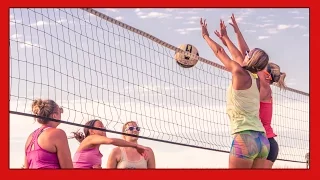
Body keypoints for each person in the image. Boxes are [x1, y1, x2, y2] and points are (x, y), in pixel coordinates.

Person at [200, 18, 270, 168]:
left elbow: (220, 52)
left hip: (245, 138)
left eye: (248, 53)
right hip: (263, 141)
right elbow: (239, 56)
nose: (245, 53)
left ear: (250, 58)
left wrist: (205, 36)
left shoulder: (239, 73)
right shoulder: (256, 79)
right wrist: (225, 37)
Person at [219, 14, 287, 168]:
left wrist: (229, 38)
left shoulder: (262, 84)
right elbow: (245, 55)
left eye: (263, 67)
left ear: (267, 75)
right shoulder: (261, 84)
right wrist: (234, 34)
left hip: (259, 140)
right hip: (265, 142)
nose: (259, 66)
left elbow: (244, 56)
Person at [71, 119, 149, 169]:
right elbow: (111, 141)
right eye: (101, 127)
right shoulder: (90, 138)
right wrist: (135, 145)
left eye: (104, 128)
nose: (104, 129)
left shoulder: (96, 151)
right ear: (91, 131)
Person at [24, 99, 73, 169]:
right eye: (60, 111)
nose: (61, 115)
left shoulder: (30, 137)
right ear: (54, 116)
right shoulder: (58, 133)